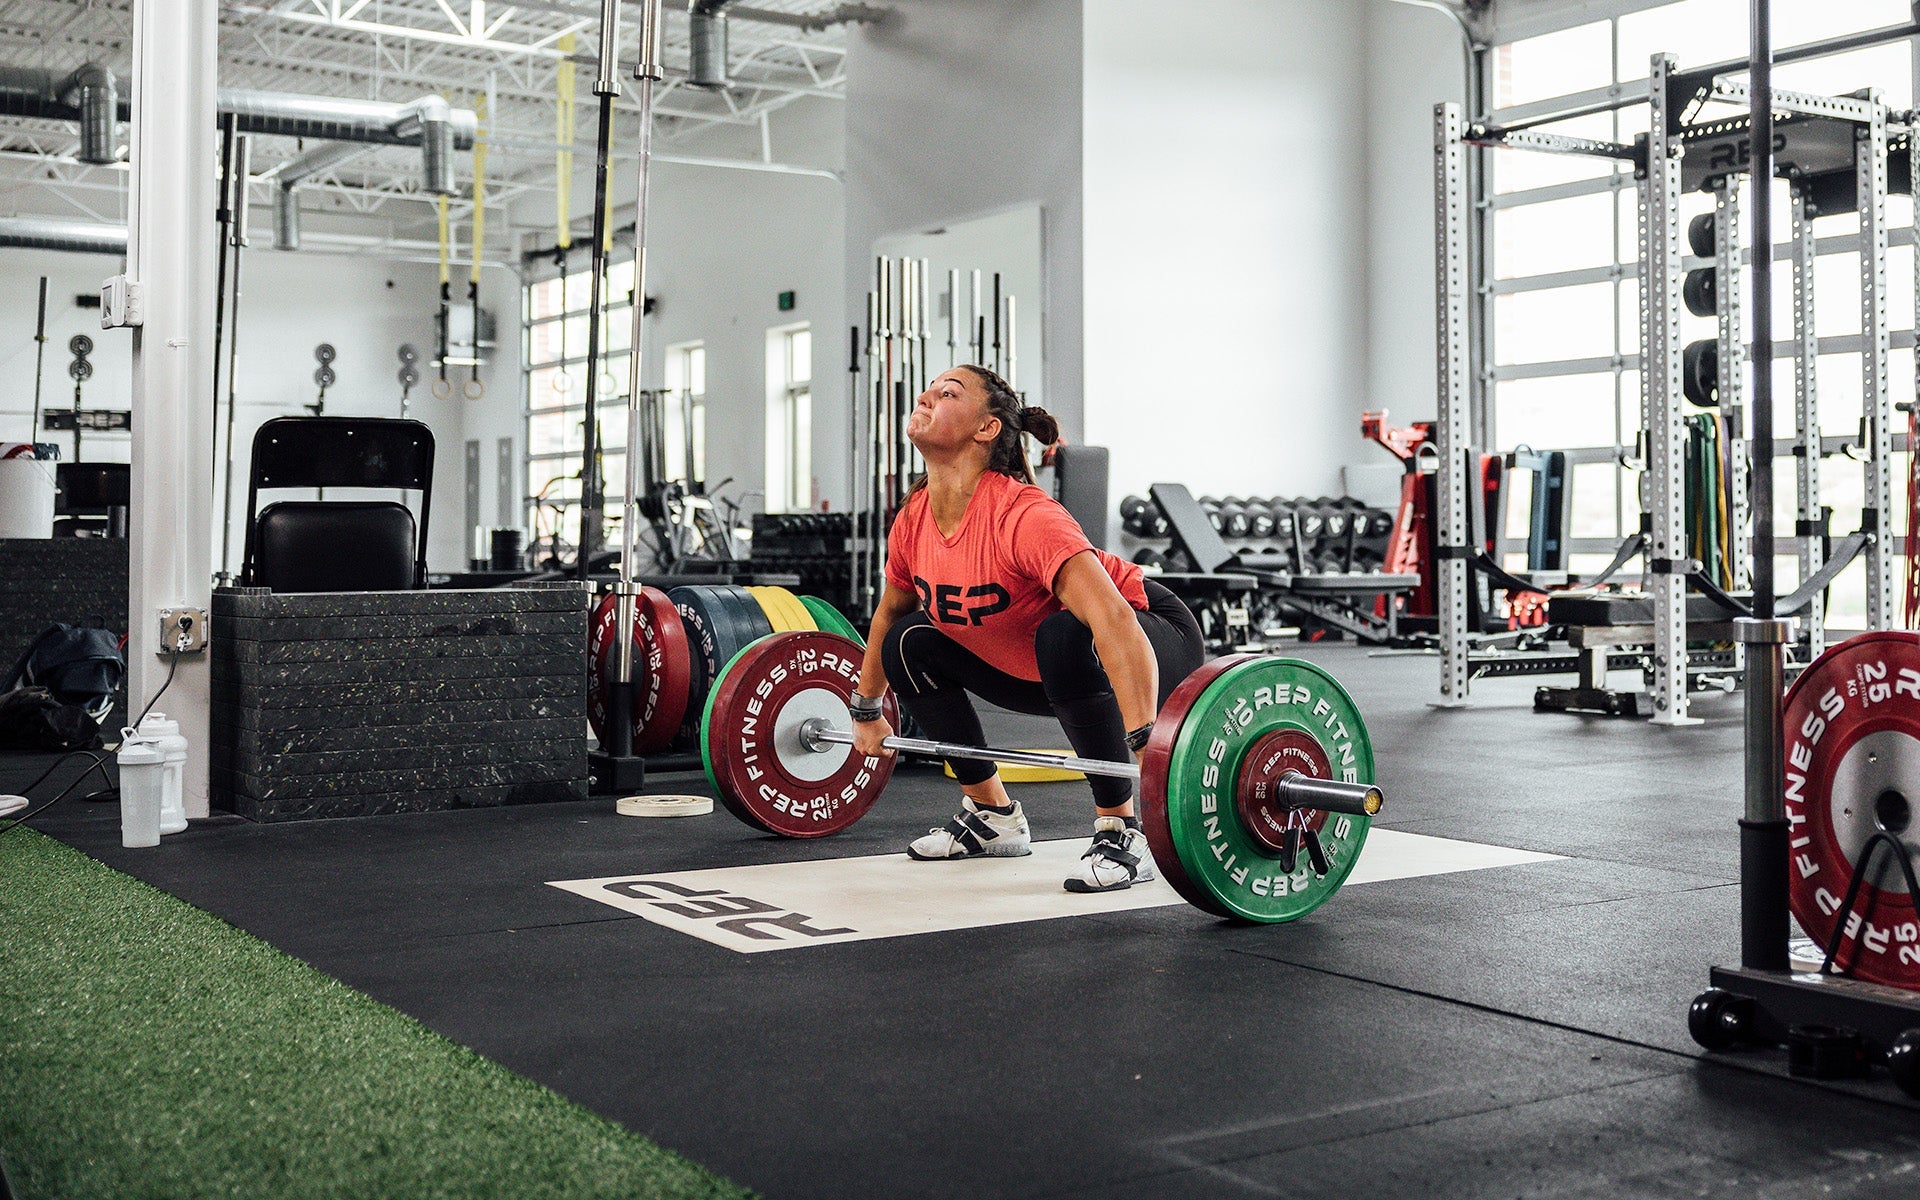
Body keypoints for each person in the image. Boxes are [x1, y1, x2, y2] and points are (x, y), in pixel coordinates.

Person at [851, 364, 1206, 892]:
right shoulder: (913, 519)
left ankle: (1121, 826)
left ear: (986, 428)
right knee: (909, 642)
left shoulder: (1025, 516)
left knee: (1063, 634)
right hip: (1041, 664)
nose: (926, 396)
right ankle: (993, 817)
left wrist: (1145, 741)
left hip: (1150, 636)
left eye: (947, 393)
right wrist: (866, 710)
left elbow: (1113, 621)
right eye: (930, 388)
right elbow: (888, 614)